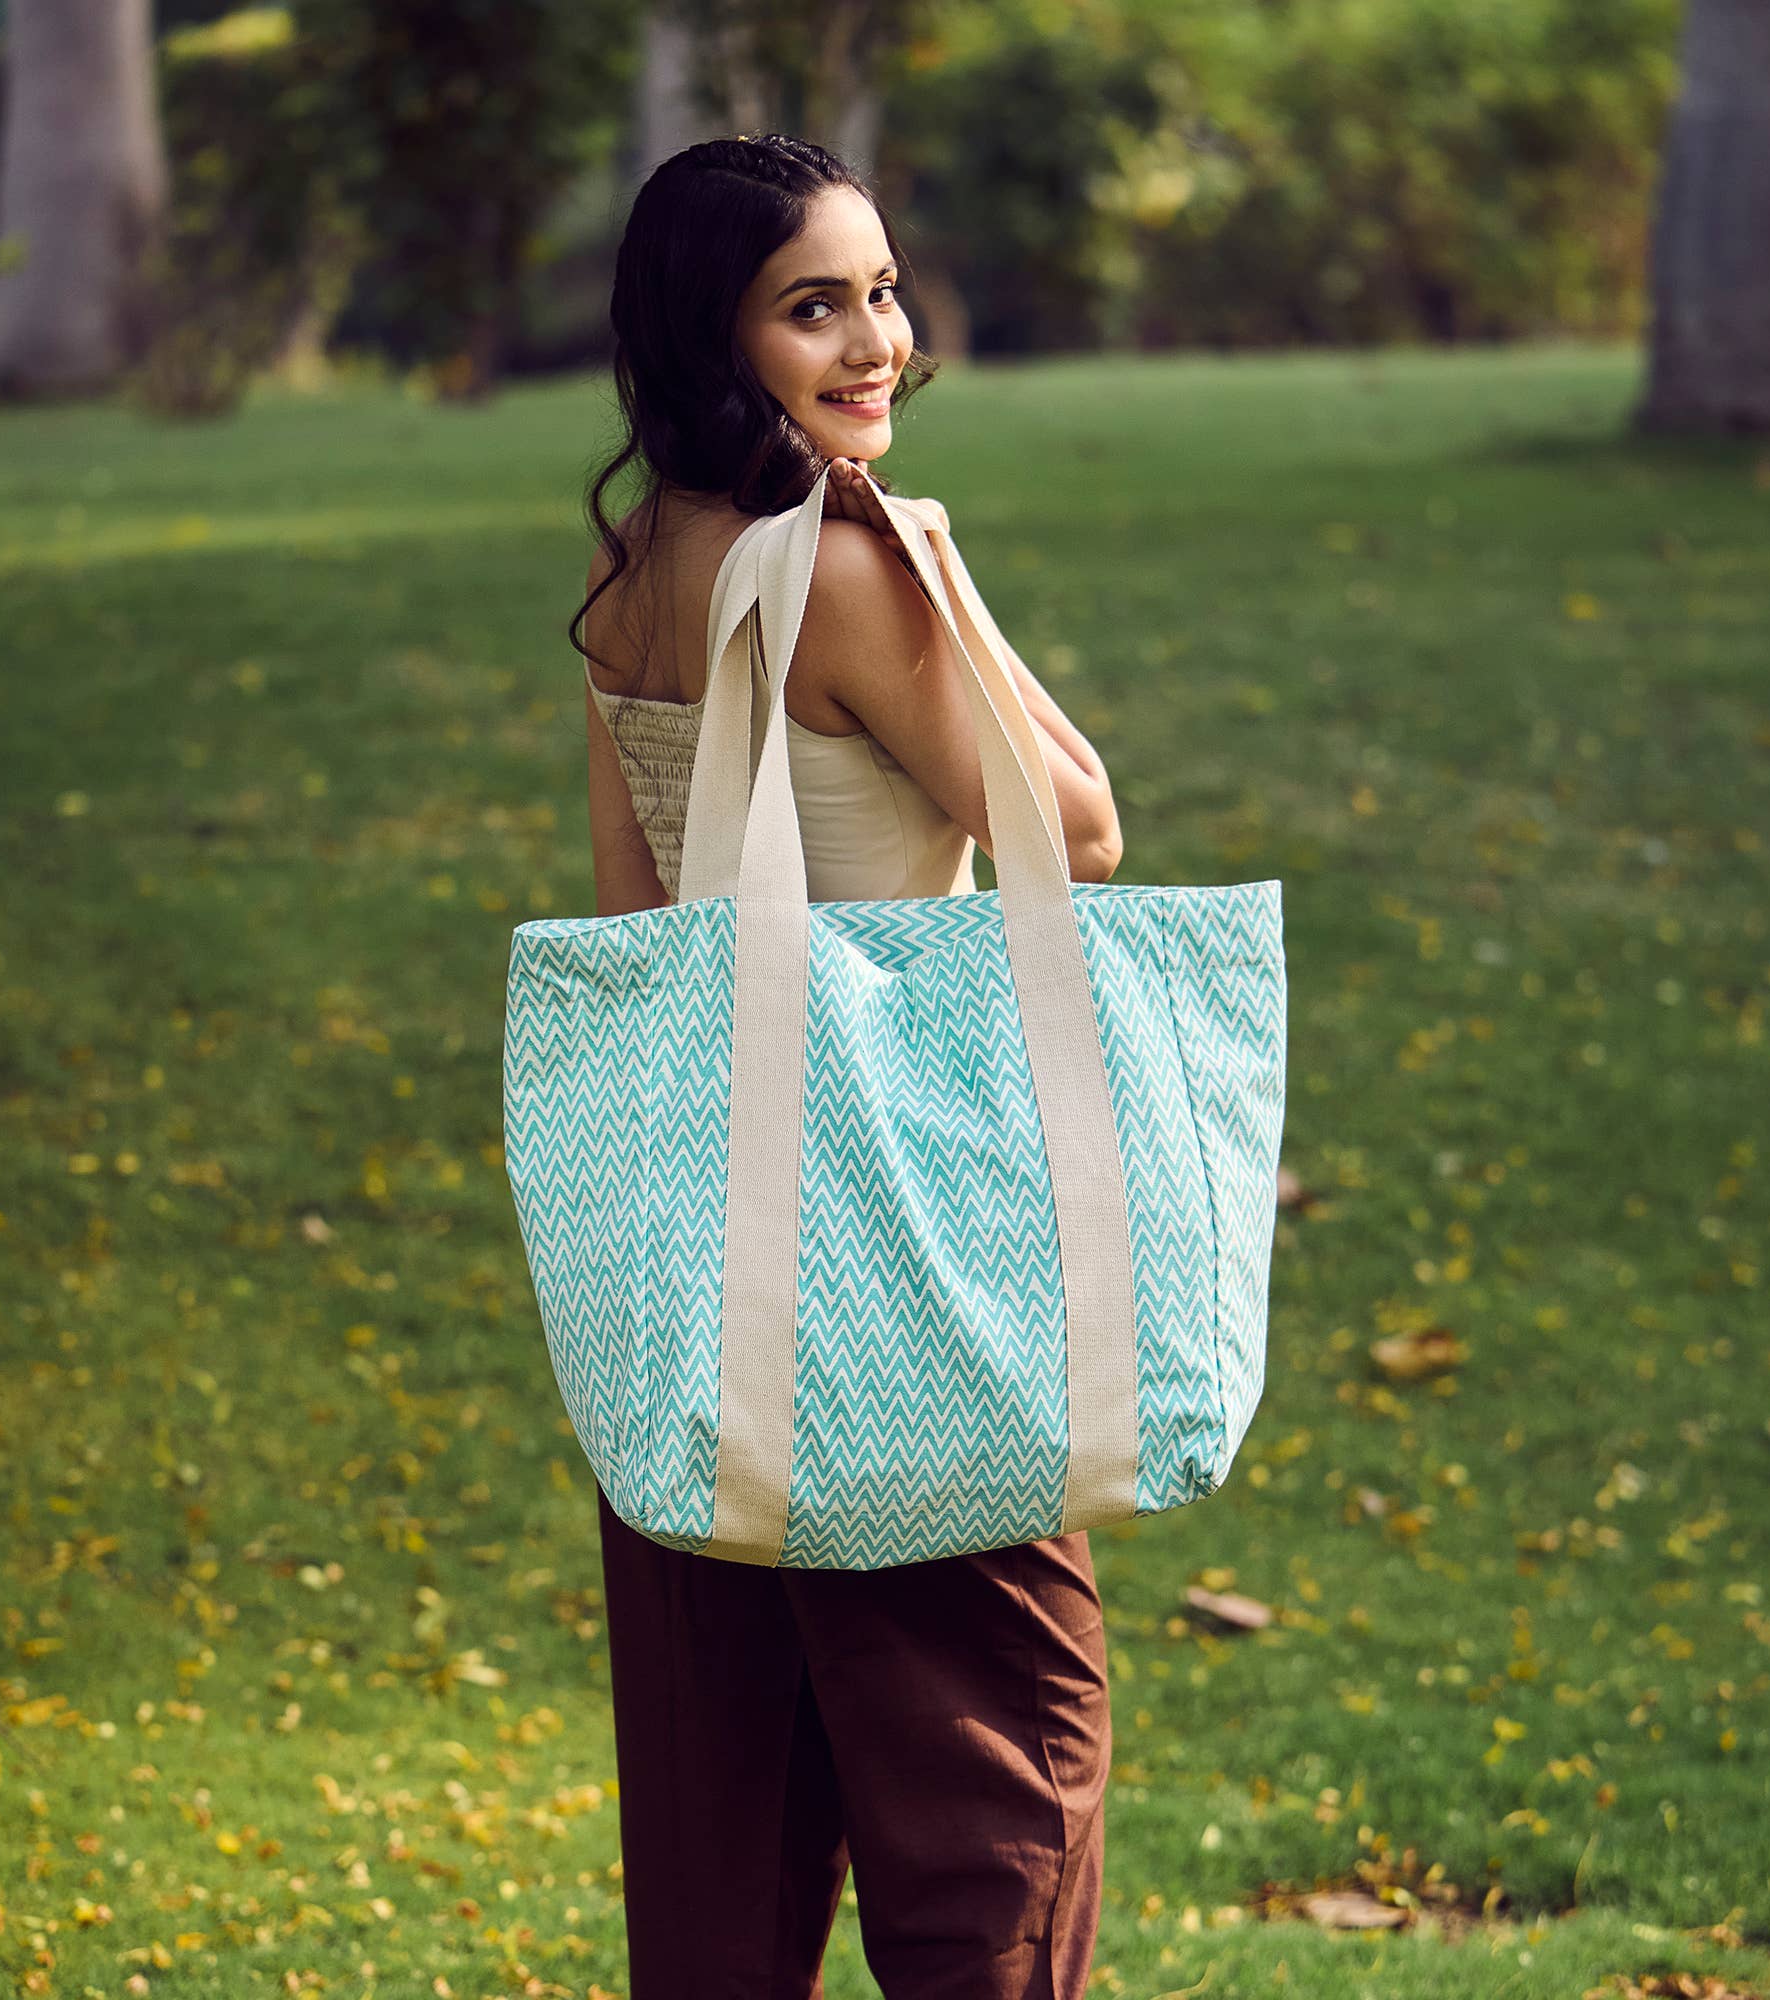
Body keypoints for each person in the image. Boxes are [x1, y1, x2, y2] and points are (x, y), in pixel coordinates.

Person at [570, 131, 1124, 2000]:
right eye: (816, 306)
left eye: (882, 291)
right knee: (1001, 1784)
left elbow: (642, 919)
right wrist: (924, 558)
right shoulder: (847, 573)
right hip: (894, 1263)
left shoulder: (641, 567)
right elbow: (1081, 824)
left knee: (730, 1837)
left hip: (699, 1266)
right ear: (712, 341)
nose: (875, 340)